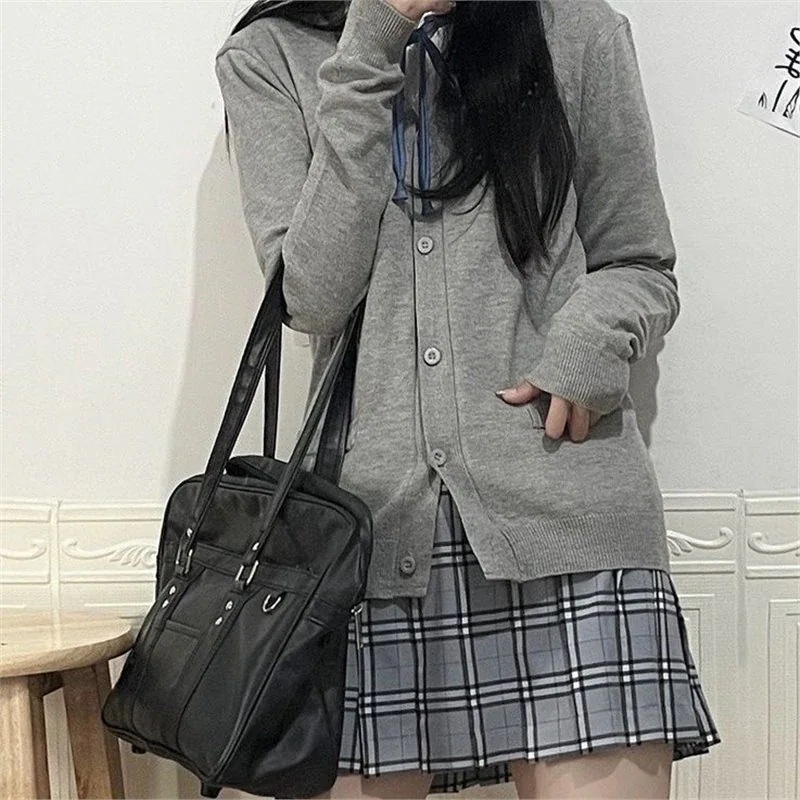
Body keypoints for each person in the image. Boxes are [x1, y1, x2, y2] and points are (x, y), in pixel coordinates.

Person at [214, 0, 722, 797]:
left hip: (571, 524)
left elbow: (638, 260)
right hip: (366, 541)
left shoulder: (576, 30)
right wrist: (372, 46)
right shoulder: (269, 55)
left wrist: (586, 348)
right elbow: (311, 298)